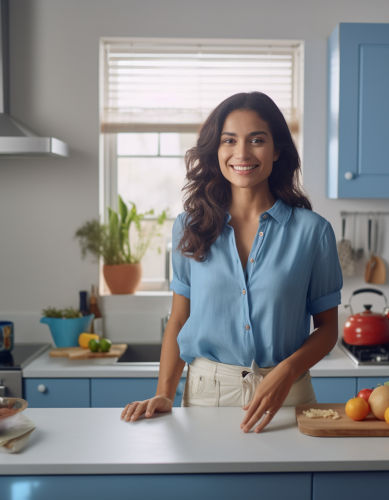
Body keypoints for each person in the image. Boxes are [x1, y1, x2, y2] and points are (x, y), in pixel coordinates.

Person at [121, 92, 343, 433]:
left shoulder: (313, 232)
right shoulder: (189, 226)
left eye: (257, 140)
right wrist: (164, 393)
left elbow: (328, 328)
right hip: (205, 397)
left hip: (288, 396)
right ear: (217, 150)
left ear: (277, 150)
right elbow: (180, 317)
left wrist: (286, 371)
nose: (242, 153)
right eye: (229, 141)